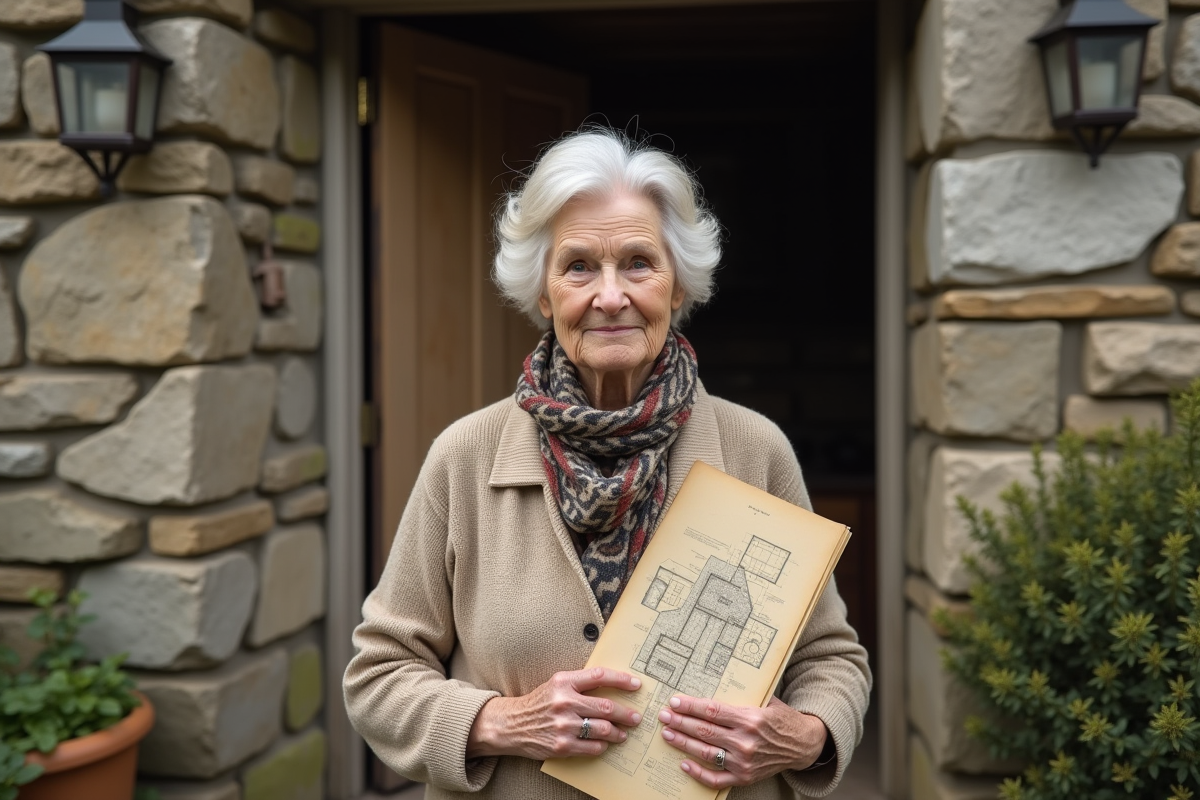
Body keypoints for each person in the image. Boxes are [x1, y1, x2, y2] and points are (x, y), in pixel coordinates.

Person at [343, 129, 871, 799]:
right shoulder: (465, 457)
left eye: (639, 263)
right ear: (543, 293)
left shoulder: (754, 450)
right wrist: (502, 723)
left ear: (678, 286)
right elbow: (378, 674)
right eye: (579, 267)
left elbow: (832, 659)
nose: (611, 295)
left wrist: (803, 734)